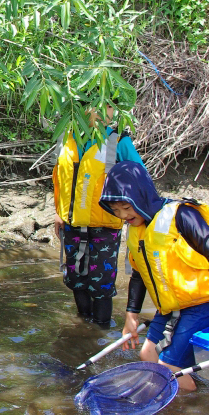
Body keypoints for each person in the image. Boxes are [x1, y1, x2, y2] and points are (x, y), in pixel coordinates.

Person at [99, 160, 209, 392]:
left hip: (202, 304)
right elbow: (139, 275)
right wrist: (131, 316)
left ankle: (192, 407)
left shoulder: (182, 215)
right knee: (147, 354)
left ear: (141, 197)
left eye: (127, 208)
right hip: (170, 308)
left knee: (168, 367)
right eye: (116, 211)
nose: (124, 216)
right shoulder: (138, 231)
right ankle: (187, 392)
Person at [52, 107, 145, 327]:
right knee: (75, 279)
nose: (106, 112)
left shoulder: (118, 142)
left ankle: (101, 328)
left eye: (110, 107)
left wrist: (137, 219)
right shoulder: (67, 137)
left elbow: (141, 181)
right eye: (99, 106)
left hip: (105, 227)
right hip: (72, 224)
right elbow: (60, 178)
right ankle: (84, 324)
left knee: (101, 284)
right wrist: (58, 212)